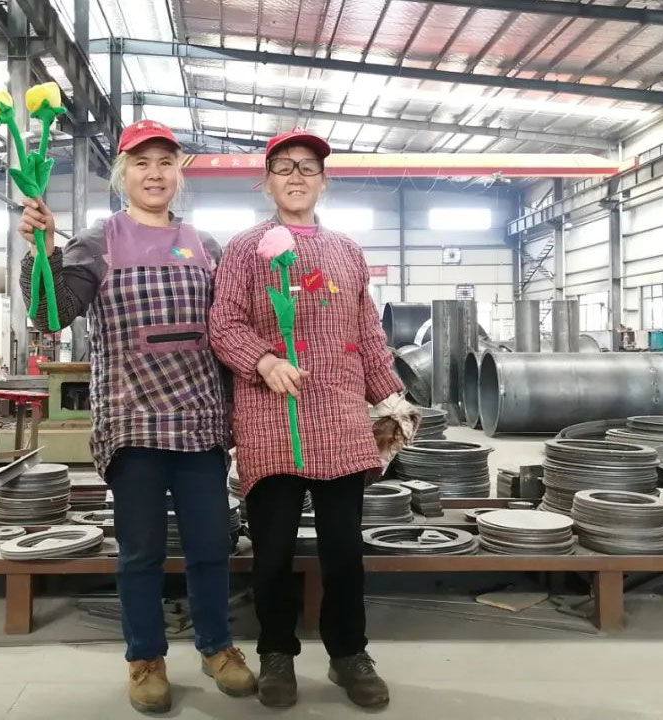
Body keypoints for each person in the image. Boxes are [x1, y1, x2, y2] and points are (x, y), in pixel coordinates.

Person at [19, 120, 256, 714]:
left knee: (211, 546)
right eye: (142, 163)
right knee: (141, 552)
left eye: (165, 162)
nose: (155, 174)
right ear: (123, 174)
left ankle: (217, 647)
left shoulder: (207, 246)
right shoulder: (98, 241)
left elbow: (229, 328)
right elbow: (51, 315)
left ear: (179, 174)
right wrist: (41, 253)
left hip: (199, 421)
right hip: (132, 421)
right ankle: (145, 657)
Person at [209, 129, 407, 710]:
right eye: (284, 166)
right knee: (271, 552)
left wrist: (392, 399)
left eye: (308, 166)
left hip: (340, 418)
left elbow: (367, 333)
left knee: (344, 550)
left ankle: (349, 655)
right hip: (272, 419)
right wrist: (263, 361)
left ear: (324, 180)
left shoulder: (347, 251)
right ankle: (276, 653)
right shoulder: (246, 248)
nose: (296, 176)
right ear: (266, 181)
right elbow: (224, 324)